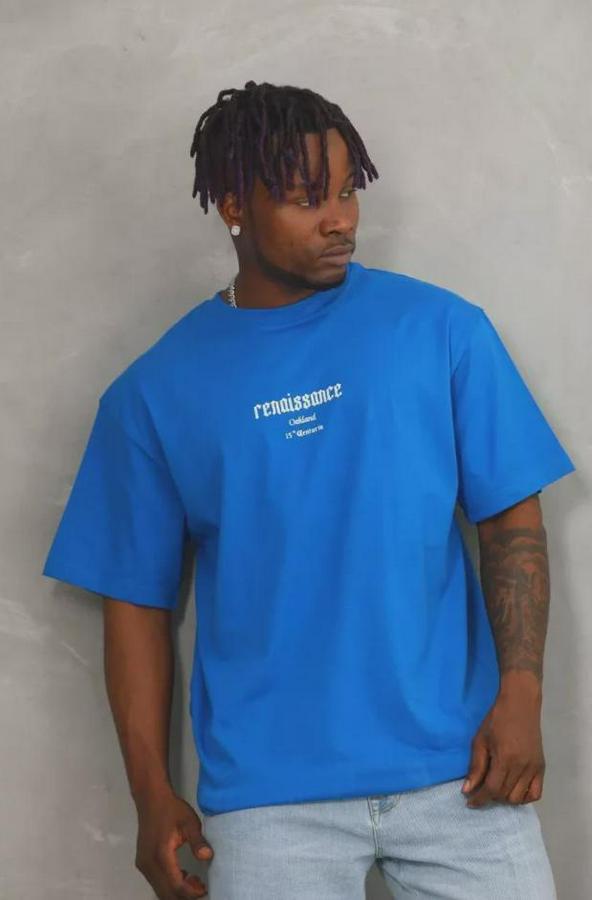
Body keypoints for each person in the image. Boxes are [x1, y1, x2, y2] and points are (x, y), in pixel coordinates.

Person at [42, 80, 576, 899]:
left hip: (462, 771)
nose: (340, 221)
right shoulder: (154, 393)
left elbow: (510, 520)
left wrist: (523, 693)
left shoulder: (440, 330)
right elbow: (135, 605)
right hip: (269, 803)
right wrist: (151, 794)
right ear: (233, 206)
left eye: (347, 192)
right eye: (306, 199)